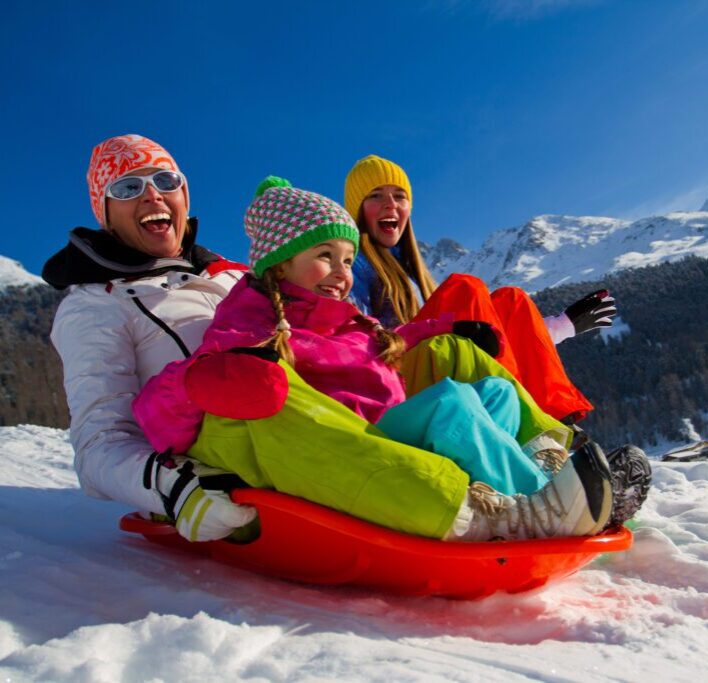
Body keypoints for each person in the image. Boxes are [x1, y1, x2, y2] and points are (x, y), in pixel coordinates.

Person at [132, 176, 618, 542]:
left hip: (392, 425)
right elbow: (202, 376)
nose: (341, 273)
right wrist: (223, 376)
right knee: (451, 404)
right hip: (359, 441)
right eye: (325, 256)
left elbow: (393, 338)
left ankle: (555, 463)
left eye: (347, 260)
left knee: (493, 390)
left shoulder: (340, 317)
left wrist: (448, 327)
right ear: (280, 263)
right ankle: (542, 504)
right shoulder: (253, 315)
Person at [43, 134, 258, 543]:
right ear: (106, 214)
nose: (152, 196)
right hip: (228, 462)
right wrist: (175, 485)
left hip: (313, 417)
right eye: (127, 188)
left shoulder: (235, 276)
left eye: (165, 180)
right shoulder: (96, 304)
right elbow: (100, 443)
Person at [344, 154, 618, 425]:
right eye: (376, 196)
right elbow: (356, 340)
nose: (390, 204)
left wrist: (562, 326)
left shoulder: (411, 271)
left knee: (511, 300)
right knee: (464, 288)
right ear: (358, 209)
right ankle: (519, 418)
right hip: (396, 380)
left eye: (399, 196)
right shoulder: (354, 265)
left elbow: (488, 336)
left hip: (435, 363)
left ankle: (560, 422)